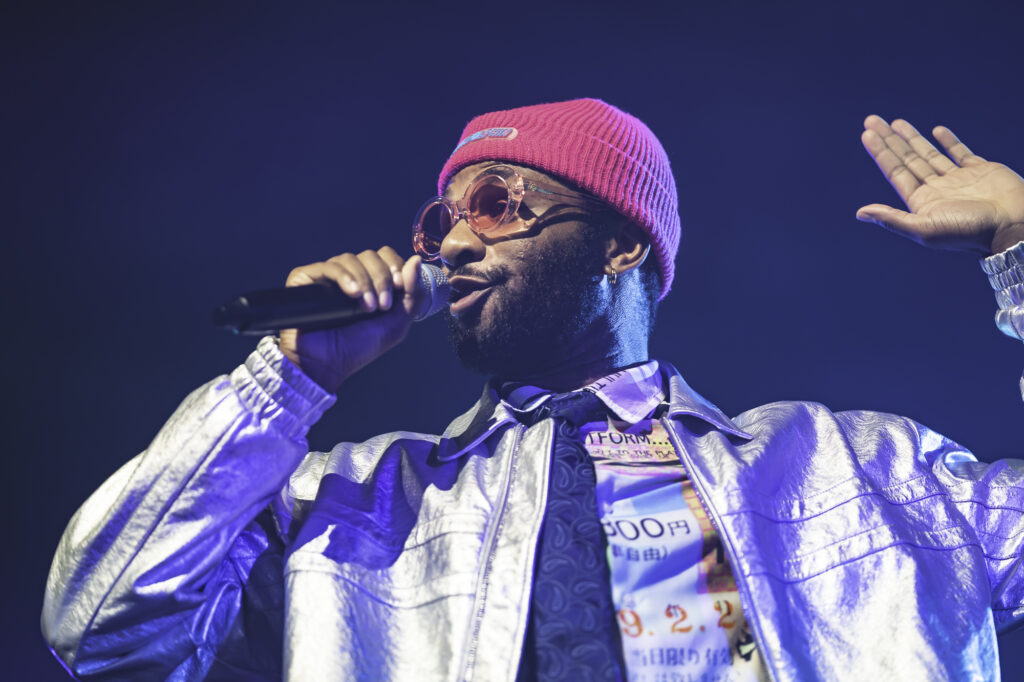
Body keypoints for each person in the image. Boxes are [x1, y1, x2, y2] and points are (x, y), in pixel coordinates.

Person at [41, 98, 1024, 681]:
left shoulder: (855, 467)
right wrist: (288, 377)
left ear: (622, 245)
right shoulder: (351, 502)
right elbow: (101, 626)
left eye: (496, 206)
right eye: (442, 222)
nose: (456, 243)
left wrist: (1023, 244)